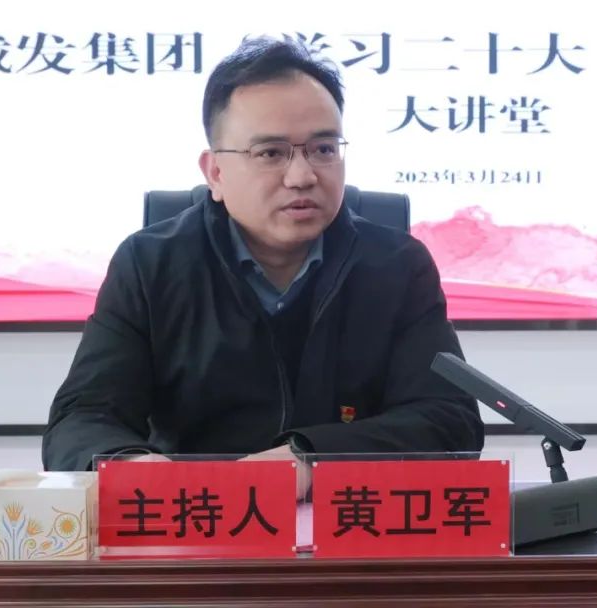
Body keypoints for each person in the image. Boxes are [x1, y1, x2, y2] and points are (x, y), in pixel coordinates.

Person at [42, 37, 483, 474]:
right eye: (271, 153)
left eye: (324, 149)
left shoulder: (397, 266)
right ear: (215, 172)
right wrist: (132, 467)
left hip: (349, 512)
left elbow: (448, 419)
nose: (302, 176)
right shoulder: (150, 265)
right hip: (197, 510)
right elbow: (83, 418)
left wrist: (310, 459)